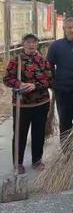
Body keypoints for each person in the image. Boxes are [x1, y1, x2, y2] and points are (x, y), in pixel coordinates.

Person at [3, 34, 52, 173]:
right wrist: (19, 84)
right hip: (22, 105)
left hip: (41, 103)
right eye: (28, 42)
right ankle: (18, 163)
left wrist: (35, 86)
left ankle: (37, 160)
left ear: (37, 44)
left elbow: (50, 80)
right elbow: (7, 79)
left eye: (34, 42)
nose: (31, 45)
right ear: (23, 43)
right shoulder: (16, 60)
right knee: (19, 134)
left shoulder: (42, 61)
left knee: (38, 133)